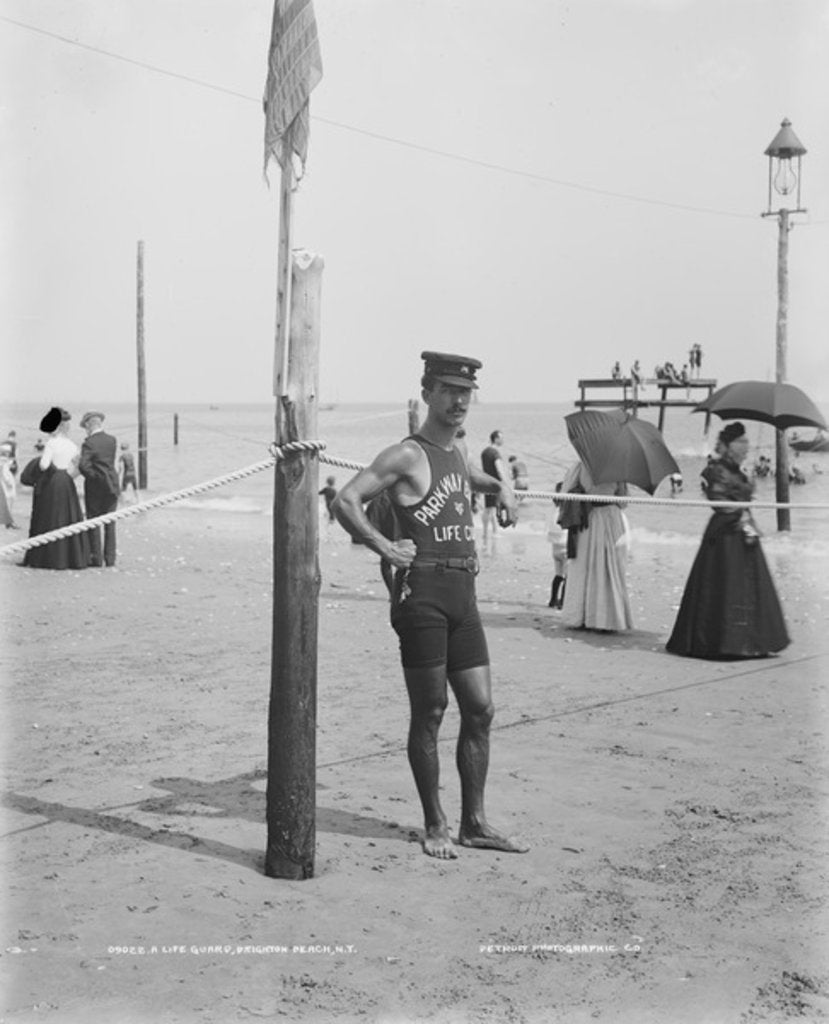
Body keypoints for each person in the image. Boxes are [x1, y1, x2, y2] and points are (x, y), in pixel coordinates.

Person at [332, 350, 526, 860]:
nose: (460, 400)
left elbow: (464, 482)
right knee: (432, 710)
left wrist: (503, 487)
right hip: (423, 596)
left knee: (481, 709)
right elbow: (345, 500)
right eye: (448, 390)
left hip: (464, 594)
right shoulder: (406, 454)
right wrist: (386, 547)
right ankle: (436, 824)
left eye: (466, 392)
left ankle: (475, 822)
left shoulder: (455, 453)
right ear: (427, 394)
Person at [666, 422, 789, 660]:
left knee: (748, 586)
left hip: (743, 531)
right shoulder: (717, 469)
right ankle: (722, 642)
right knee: (724, 584)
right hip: (725, 535)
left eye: (746, 442)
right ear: (728, 445)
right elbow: (718, 502)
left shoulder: (738, 470)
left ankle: (751, 641)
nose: (746, 447)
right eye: (741, 442)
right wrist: (741, 510)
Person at [560, 460, 633, 632]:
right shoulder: (619, 468)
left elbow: (565, 493)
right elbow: (623, 502)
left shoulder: (580, 465)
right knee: (608, 567)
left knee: (583, 567)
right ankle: (606, 618)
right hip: (610, 518)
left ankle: (580, 616)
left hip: (588, 518)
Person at [23, 407, 91, 570]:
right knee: (68, 518)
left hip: (52, 482)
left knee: (49, 517)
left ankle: (47, 558)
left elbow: (44, 465)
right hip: (67, 482)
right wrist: (67, 475)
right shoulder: (73, 445)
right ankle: (70, 557)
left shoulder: (51, 443)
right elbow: (77, 469)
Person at [79, 411, 120, 568]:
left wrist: (93, 477)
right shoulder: (112, 440)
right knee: (110, 523)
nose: (85, 430)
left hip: (96, 486)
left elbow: (83, 465)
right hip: (112, 484)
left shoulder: (89, 443)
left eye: (85, 427)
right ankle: (110, 559)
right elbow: (107, 462)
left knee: (94, 521)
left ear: (89, 425)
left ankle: (96, 558)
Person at [480, 429, 507, 553]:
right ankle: (493, 532)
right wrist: (504, 482)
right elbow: (499, 469)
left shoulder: (485, 452)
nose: (502, 440)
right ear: (495, 438)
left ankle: (487, 532)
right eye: (501, 437)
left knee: (489, 508)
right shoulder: (495, 453)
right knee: (491, 509)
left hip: (486, 481)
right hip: (495, 483)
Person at [546, 483, 568, 609]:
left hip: (555, 547)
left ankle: (553, 599)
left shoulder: (554, 508)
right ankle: (562, 601)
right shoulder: (566, 510)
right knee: (567, 576)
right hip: (565, 545)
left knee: (558, 574)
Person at [0, 442, 18, 528]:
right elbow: (4, 473)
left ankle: (8, 521)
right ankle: (9, 522)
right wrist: (9, 482)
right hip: (6, 483)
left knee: (8, 501)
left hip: (5, 482)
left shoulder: (5, 460)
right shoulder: (4, 461)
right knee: (9, 501)